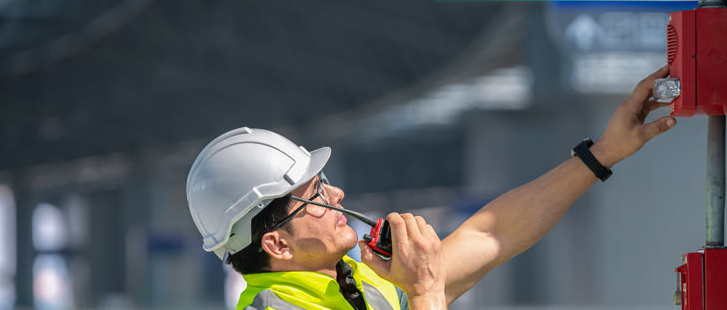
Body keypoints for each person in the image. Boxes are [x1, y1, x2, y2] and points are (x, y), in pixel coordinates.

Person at [186, 67, 678, 310]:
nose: (335, 196)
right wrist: (423, 291)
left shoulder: (355, 285)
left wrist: (601, 155)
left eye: (325, 185)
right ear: (275, 243)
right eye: (314, 196)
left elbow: (492, 234)